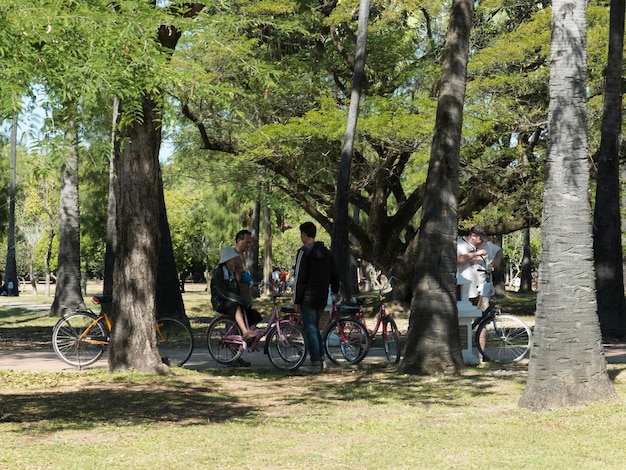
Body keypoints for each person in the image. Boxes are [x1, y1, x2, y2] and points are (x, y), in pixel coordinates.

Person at [293, 221, 340, 372]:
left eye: (301, 234)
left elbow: (299, 278)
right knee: (315, 329)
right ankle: (321, 358)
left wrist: (296, 299)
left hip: (308, 296)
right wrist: (335, 290)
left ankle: (315, 363)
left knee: (311, 329)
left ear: (304, 235)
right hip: (322, 296)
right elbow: (334, 274)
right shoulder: (327, 252)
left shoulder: (303, 253)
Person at [210, 246, 262, 367]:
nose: (234, 260)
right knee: (236, 307)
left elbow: (236, 289)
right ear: (226, 260)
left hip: (232, 300)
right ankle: (245, 332)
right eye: (232, 258)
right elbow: (223, 292)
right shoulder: (219, 273)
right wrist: (239, 300)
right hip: (221, 301)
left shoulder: (232, 272)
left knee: (254, 315)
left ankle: (243, 346)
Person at [456, 225, 502, 312]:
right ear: (473, 236)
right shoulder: (459, 244)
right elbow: (457, 260)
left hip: (483, 288)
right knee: (465, 317)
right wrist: (476, 254)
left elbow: (499, 251)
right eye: (481, 239)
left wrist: (497, 261)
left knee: (482, 317)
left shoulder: (486, 245)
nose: (483, 242)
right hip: (465, 290)